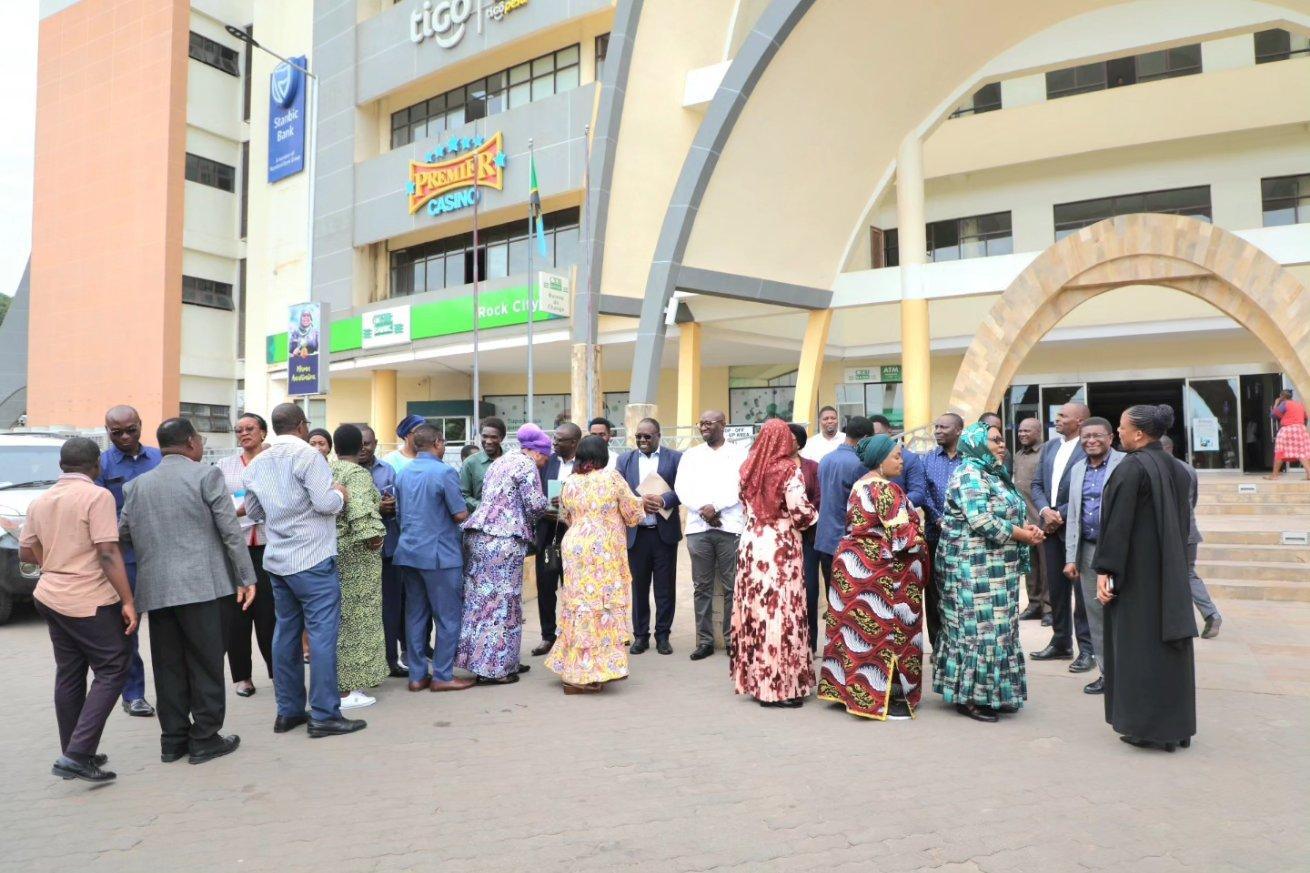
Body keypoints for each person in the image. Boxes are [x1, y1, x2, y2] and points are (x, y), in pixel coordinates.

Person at [119, 418, 255, 764]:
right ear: (191, 442)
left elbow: (122, 534)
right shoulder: (206, 475)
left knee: (168, 668)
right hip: (202, 588)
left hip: (157, 590)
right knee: (206, 664)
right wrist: (246, 576)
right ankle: (205, 737)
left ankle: (173, 740)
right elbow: (230, 531)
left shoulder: (137, 486)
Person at [243, 403, 365, 738]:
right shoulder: (309, 457)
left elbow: (253, 511)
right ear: (300, 426)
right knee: (323, 636)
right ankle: (325, 714)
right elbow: (326, 504)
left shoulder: (258, 462)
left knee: (285, 634)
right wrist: (340, 493)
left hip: (279, 559)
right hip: (311, 558)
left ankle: (289, 711)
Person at [19, 437, 137, 783]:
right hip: (87, 598)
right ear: (96, 465)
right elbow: (107, 552)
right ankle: (76, 753)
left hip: (50, 595)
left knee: (70, 672)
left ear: (61, 466)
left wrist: (56, 564)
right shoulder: (96, 496)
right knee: (114, 666)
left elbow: (27, 552)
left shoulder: (40, 501)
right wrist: (128, 600)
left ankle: (75, 750)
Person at [1094, 405, 1197, 752]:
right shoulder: (1178, 468)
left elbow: (1118, 527)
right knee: (1168, 648)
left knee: (1138, 650)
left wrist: (1105, 572)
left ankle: (1146, 727)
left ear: (1139, 434)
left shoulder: (1131, 468)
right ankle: (1176, 727)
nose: (1118, 433)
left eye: (1122, 428)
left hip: (1137, 578)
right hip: (1170, 574)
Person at [933, 423, 1046, 722]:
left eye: (1001, 440)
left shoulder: (992, 473)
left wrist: (1027, 528)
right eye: (994, 440)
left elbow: (1010, 511)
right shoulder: (969, 473)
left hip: (997, 568)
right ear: (976, 444)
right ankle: (969, 697)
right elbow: (981, 519)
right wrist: (1024, 536)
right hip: (970, 569)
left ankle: (995, 693)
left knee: (999, 631)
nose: (1001, 445)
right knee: (977, 632)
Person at [818, 434, 927, 720]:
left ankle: (850, 693)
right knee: (886, 635)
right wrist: (921, 530)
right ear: (880, 461)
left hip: (853, 567)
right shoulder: (887, 490)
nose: (901, 461)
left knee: (855, 634)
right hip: (882, 572)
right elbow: (904, 539)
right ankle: (885, 700)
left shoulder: (859, 485)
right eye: (896, 456)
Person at [546, 435, 646, 693]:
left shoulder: (569, 482)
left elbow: (565, 515)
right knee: (602, 608)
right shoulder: (612, 478)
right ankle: (587, 674)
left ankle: (572, 668)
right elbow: (633, 514)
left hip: (575, 547)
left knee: (578, 606)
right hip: (603, 550)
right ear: (603, 455)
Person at [729, 419, 818, 708]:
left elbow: (745, 508)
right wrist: (816, 516)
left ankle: (757, 683)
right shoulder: (787, 469)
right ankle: (779, 688)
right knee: (782, 614)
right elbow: (801, 512)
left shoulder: (747, 468)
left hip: (752, 544)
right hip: (780, 548)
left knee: (756, 613)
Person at [455, 423, 551, 684]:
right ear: (536, 451)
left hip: (479, 538)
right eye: (545, 457)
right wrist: (551, 504)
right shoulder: (526, 465)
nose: (544, 463)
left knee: (480, 603)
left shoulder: (501, 461)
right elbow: (533, 505)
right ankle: (496, 669)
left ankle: (481, 663)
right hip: (504, 541)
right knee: (502, 605)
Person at [394, 424, 474, 692]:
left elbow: (400, 514)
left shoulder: (403, 473)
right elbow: (459, 514)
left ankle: (416, 676)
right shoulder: (445, 471)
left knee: (415, 615)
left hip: (409, 551)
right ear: (438, 443)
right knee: (447, 617)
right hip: (440, 555)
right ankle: (442, 674)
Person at [96, 404, 160, 718]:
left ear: (140, 425)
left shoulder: (161, 459)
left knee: (168, 628)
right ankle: (133, 694)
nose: (124, 436)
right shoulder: (101, 466)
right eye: (116, 432)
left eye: (130, 429)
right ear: (107, 432)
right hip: (125, 561)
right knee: (127, 629)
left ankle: (175, 691)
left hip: (162, 557)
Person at [674, 410, 748, 661]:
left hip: (729, 526)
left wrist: (715, 507)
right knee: (701, 586)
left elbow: (741, 486)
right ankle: (704, 641)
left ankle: (730, 639)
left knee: (731, 586)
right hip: (698, 528)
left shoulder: (739, 453)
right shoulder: (691, 455)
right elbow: (682, 487)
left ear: (723, 424)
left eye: (708, 423)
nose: (703, 427)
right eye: (701, 423)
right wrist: (703, 510)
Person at [1061, 417, 1124, 695]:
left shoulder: (1125, 464)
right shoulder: (1077, 470)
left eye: (1097, 435)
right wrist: (1070, 557)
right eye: (1086, 436)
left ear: (1111, 438)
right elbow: (1073, 515)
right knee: (1096, 614)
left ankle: (1130, 671)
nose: (1091, 441)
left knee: (1124, 613)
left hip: (1122, 553)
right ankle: (1107, 674)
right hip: (1088, 551)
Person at [328, 424, 389, 710]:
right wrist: (376, 539)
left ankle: (336, 683)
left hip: (331, 552)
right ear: (360, 446)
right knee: (357, 623)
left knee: (338, 622)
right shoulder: (358, 475)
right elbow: (361, 513)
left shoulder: (328, 470)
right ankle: (347, 689)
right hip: (357, 559)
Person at [1030, 402, 1094, 672]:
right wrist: (1046, 511)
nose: (1056, 420)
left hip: (1075, 528)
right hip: (1050, 526)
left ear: (1079, 421)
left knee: (1081, 591)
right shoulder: (1050, 447)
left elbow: (1090, 486)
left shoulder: (1088, 447)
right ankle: (1060, 642)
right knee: (1056, 588)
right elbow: (1036, 484)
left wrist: (1061, 514)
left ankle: (1088, 648)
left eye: (1062, 416)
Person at [218, 413, 276, 697]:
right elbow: (219, 503)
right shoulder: (224, 466)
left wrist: (244, 505)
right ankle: (242, 677)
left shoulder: (276, 461)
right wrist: (246, 506)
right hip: (236, 546)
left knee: (270, 614)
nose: (244, 433)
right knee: (237, 615)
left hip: (269, 545)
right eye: (238, 430)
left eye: (249, 428)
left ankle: (278, 672)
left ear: (263, 432)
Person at [617, 418, 683, 655]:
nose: (642, 441)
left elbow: (684, 489)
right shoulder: (625, 459)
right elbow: (620, 493)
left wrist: (665, 500)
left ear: (658, 435)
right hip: (637, 534)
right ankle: (640, 636)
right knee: (639, 588)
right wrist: (638, 502)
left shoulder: (674, 458)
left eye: (647, 437)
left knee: (665, 588)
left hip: (663, 533)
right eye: (638, 437)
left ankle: (663, 636)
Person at [812, 416, 875, 653]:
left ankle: (835, 651)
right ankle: (851, 653)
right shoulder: (860, 464)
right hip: (848, 543)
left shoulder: (825, 460)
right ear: (866, 439)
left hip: (825, 540)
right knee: (853, 604)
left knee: (834, 602)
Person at [1160, 435, 1223, 639]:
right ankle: (1211, 614)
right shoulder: (1188, 468)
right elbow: (1192, 500)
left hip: (1167, 534)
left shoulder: (1158, 469)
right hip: (1189, 532)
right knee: (1188, 574)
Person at [358, 425, 408, 678]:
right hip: (358, 554)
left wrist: (393, 507)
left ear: (376, 443)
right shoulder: (345, 472)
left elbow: (401, 504)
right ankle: (367, 664)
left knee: (391, 608)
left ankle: (391, 659)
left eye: (368, 443)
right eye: (360, 443)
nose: (364, 448)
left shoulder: (387, 470)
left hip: (389, 550)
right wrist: (377, 508)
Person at [531, 422, 582, 656]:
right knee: (546, 587)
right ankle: (547, 636)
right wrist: (549, 507)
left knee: (573, 588)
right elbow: (535, 493)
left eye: (560, 439)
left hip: (576, 535)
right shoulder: (546, 462)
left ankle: (573, 635)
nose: (554, 443)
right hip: (548, 534)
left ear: (573, 443)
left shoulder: (585, 464)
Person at [922, 412, 965, 649]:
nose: (938, 430)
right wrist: (937, 518)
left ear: (958, 430)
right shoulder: (928, 459)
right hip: (934, 535)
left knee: (961, 590)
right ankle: (938, 645)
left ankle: (959, 643)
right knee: (935, 593)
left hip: (965, 538)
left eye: (944, 427)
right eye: (936, 426)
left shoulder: (969, 460)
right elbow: (923, 492)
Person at [1011, 417, 1050, 625]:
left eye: (1027, 431)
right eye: (1020, 431)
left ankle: (1048, 608)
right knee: (1030, 565)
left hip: (1041, 518)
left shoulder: (1045, 453)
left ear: (1038, 432)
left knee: (1046, 567)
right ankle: (1034, 604)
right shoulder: (1018, 455)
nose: (1022, 434)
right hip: (1024, 521)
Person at [871, 415, 929, 510]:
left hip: (900, 518)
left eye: (876, 435)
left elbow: (918, 493)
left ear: (889, 432)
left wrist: (892, 504)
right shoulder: (863, 459)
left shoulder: (909, 459)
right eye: (869, 436)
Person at [459, 416, 507, 512]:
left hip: (510, 521)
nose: (488, 441)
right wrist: (481, 507)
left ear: (501, 438)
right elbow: (463, 495)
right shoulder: (470, 463)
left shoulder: (513, 460)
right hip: (481, 522)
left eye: (493, 437)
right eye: (485, 436)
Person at [1268, 389, 1309, 480]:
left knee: (1280, 451)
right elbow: (1306, 417)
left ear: (1282, 397)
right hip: (1301, 429)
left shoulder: (1285, 403)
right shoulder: (1299, 404)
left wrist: (1275, 404)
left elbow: (1273, 415)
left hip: (1288, 429)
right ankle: (1309, 474)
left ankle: (1274, 475)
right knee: (1302, 453)